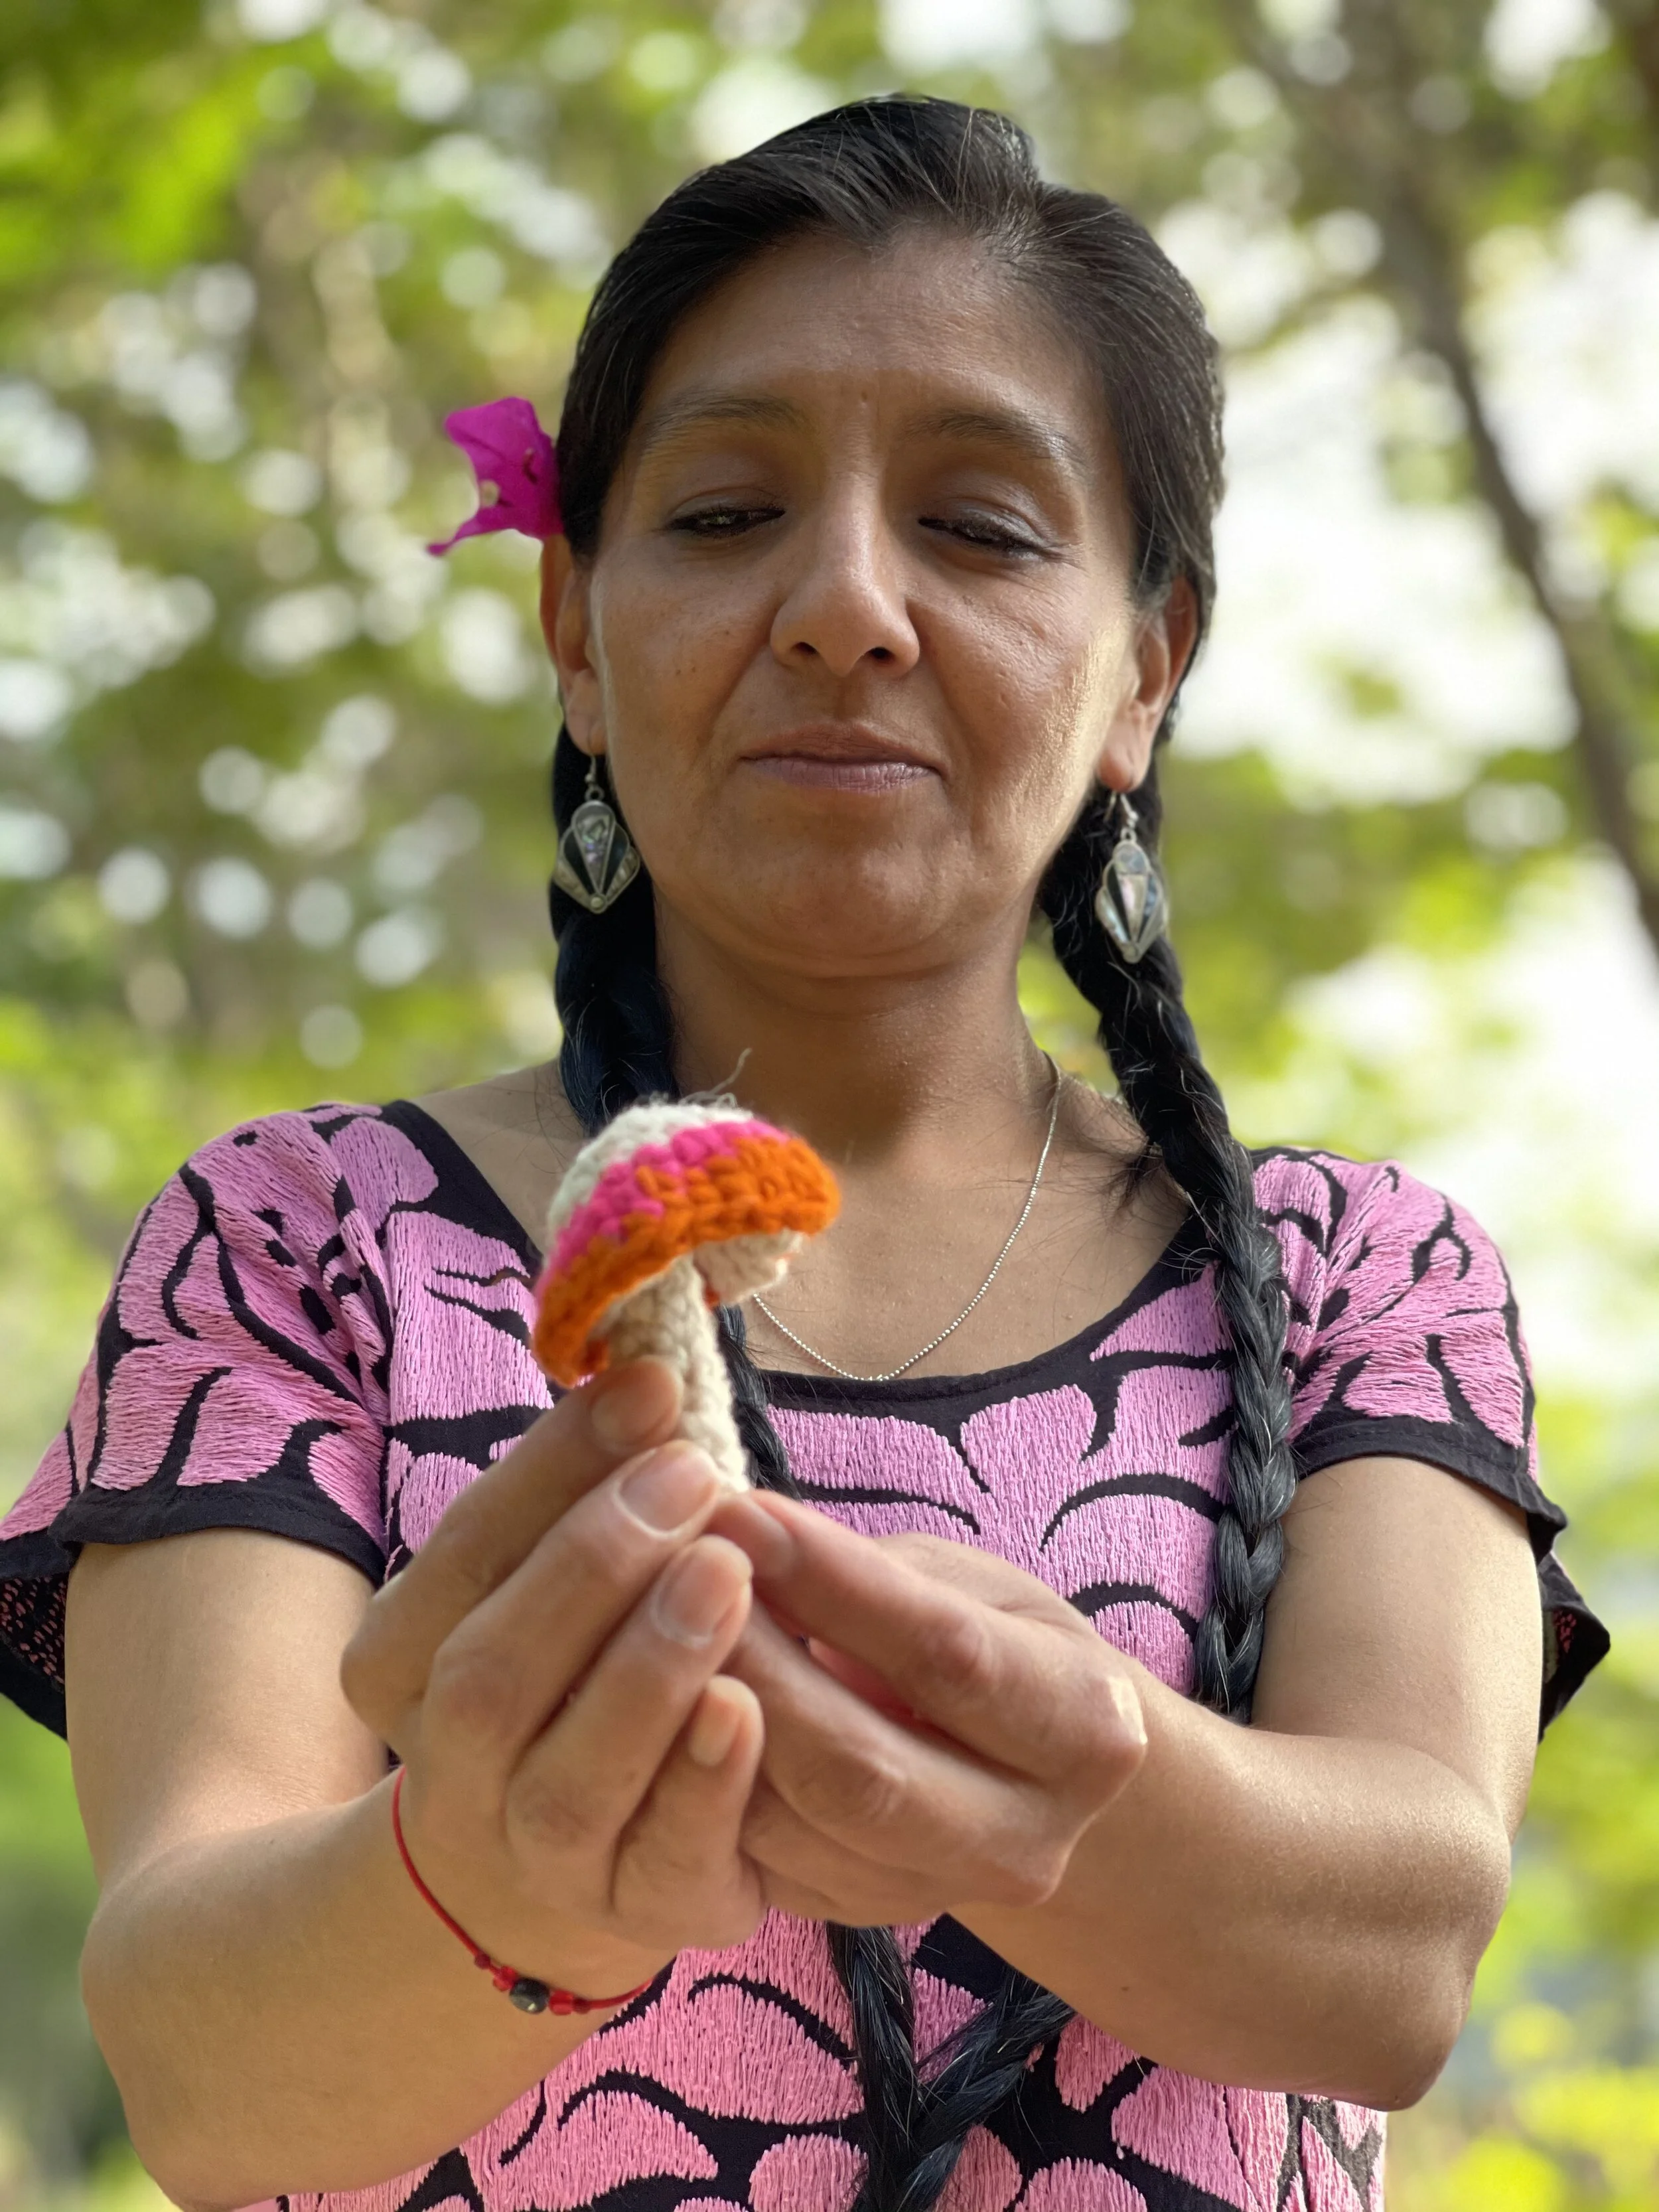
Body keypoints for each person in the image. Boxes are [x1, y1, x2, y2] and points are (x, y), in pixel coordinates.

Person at [0, 96, 1607, 2212]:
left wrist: (1054, 1774)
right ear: (572, 626)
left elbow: (1395, 1952)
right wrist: (476, 1884)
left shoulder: (1352, 1277)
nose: (845, 603)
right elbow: (200, 2065)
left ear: (1147, 666)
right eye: (728, 510)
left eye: (981, 526)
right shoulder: (295, 1248)